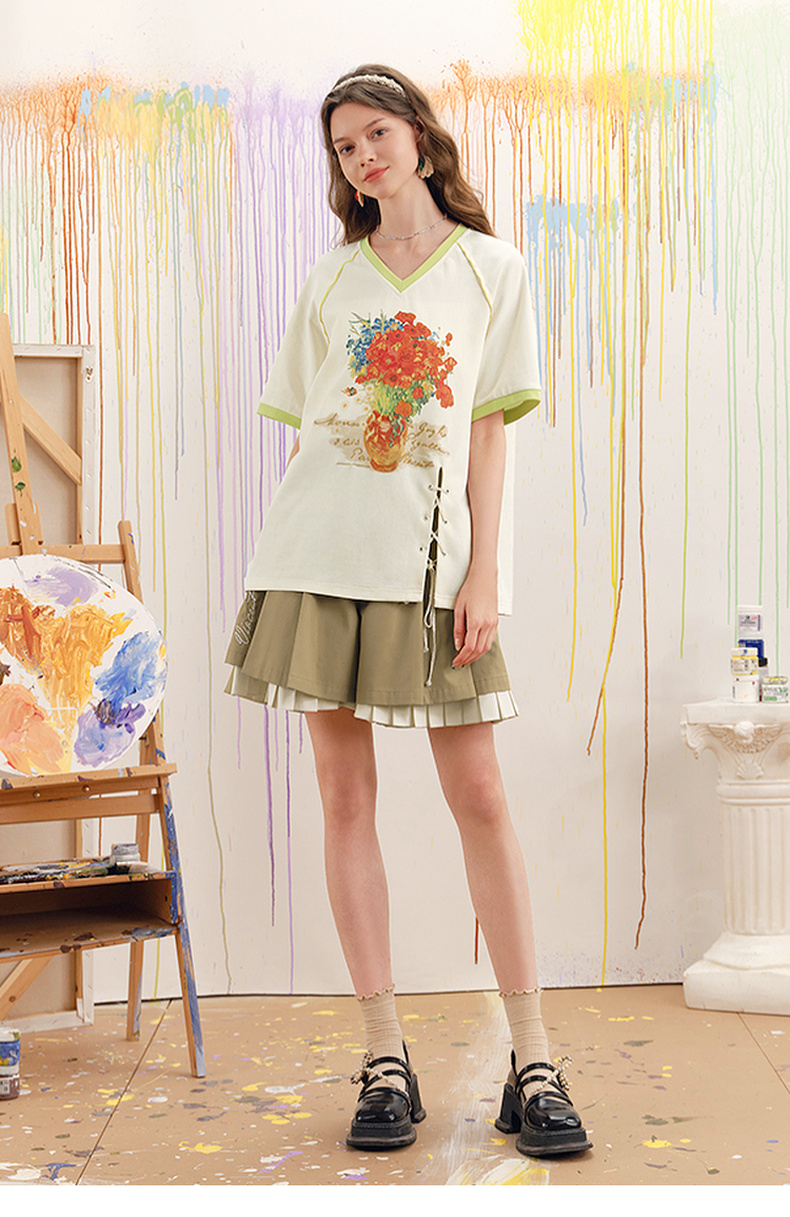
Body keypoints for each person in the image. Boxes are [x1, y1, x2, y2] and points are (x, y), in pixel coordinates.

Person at [225, 63, 591, 1159]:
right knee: (346, 799)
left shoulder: (491, 270)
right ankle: (384, 1057)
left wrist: (486, 578)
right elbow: (315, 437)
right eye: (344, 147)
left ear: (420, 140)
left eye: (376, 134)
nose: (362, 157)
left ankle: (534, 1059)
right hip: (317, 557)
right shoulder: (331, 278)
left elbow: (487, 435)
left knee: (479, 795)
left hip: (434, 574)